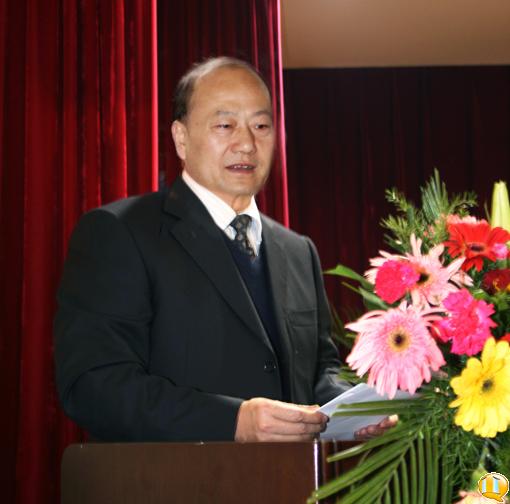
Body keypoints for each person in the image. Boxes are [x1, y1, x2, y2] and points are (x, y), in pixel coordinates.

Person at [54, 57, 390, 443]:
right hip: (175, 476)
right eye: (225, 125)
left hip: (294, 477)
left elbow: (318, 371)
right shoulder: (121, 232)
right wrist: (233, 421)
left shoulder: (298, 251)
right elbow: (94, 384)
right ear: (181, 138)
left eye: (261, 126)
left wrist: (354, 412)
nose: (246, 144)